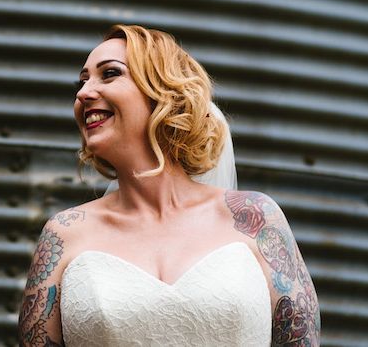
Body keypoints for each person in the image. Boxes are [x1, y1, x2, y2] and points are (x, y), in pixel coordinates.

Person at [19, 24, 319, 347]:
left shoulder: (255, 219)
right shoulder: (64, 234)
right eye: (82, 81)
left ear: (162, 92)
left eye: (109, 74)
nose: (83, 93)